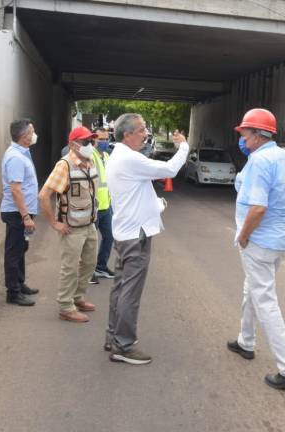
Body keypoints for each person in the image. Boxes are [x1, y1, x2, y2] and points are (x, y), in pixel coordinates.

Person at [226, 108, 285, 391]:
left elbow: (258, 207)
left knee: (265, 300)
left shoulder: (259, 162)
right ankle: (245, 341)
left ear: (259, 135)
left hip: (258, 242)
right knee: (253, 289)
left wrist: (244, 235)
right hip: (279, 241)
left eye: (245, 134)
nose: (242, 139)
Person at [104, 114, 189, 365]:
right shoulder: (130, 158)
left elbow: (138, 192)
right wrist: (183, 145)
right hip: (136, 235)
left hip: (127, 232)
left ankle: (113, 336)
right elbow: (170, 169)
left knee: (120, 287)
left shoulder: (119, 156)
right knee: (130, 291)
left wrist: (155, 205)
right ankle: (124, 345)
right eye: (141, 130)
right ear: (127, 134)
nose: (145, 134)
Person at [38, 126, 100, 323]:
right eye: (85, 142)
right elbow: (44, 196)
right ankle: (66, 306)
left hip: (89, 224)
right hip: (71, 227)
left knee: (90, 263)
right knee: (70, 267)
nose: (89, 145)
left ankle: (78, 297)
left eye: (91, 141)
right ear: (73, 144)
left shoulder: (89, 162)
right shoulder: (64, 165)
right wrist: (54, 223)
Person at [0, 119, 40, 307]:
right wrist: (25, 216)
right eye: (32, 131)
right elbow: (16, 189)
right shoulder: (15, 157)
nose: (34, 134)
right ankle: (13, 292)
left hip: (22, 212)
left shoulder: (22, 152)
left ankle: (20, 283)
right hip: (17, 213)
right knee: (14, 251)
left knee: (21, 247)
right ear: (24, 137)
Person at [91, 127, 116, 283]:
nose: (104, 142)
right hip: (93, 206)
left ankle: (100, 267)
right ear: (94, 139)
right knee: (90, 243)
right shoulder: (90, 155)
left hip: (106, 206)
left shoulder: (107, 155)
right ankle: (88, 272)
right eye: (101, 139)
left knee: (109, 237)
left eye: (106, 138)